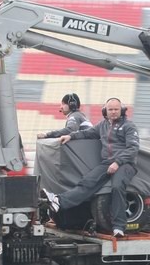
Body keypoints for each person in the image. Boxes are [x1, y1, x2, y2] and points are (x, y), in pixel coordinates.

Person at [42, 97, 140, 238]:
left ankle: (119, 227)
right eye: (110, 109)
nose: (113, 112)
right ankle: (59, 201)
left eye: (116, 109)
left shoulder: (129, 126)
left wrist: (118, 162)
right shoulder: (102, 125)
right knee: (87, 182)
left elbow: (133, 148)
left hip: (126, 164)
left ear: (122, 110)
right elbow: (87, 133)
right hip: (107, 162)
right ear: (105, 111)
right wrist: (70, 136)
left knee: (117, 187)